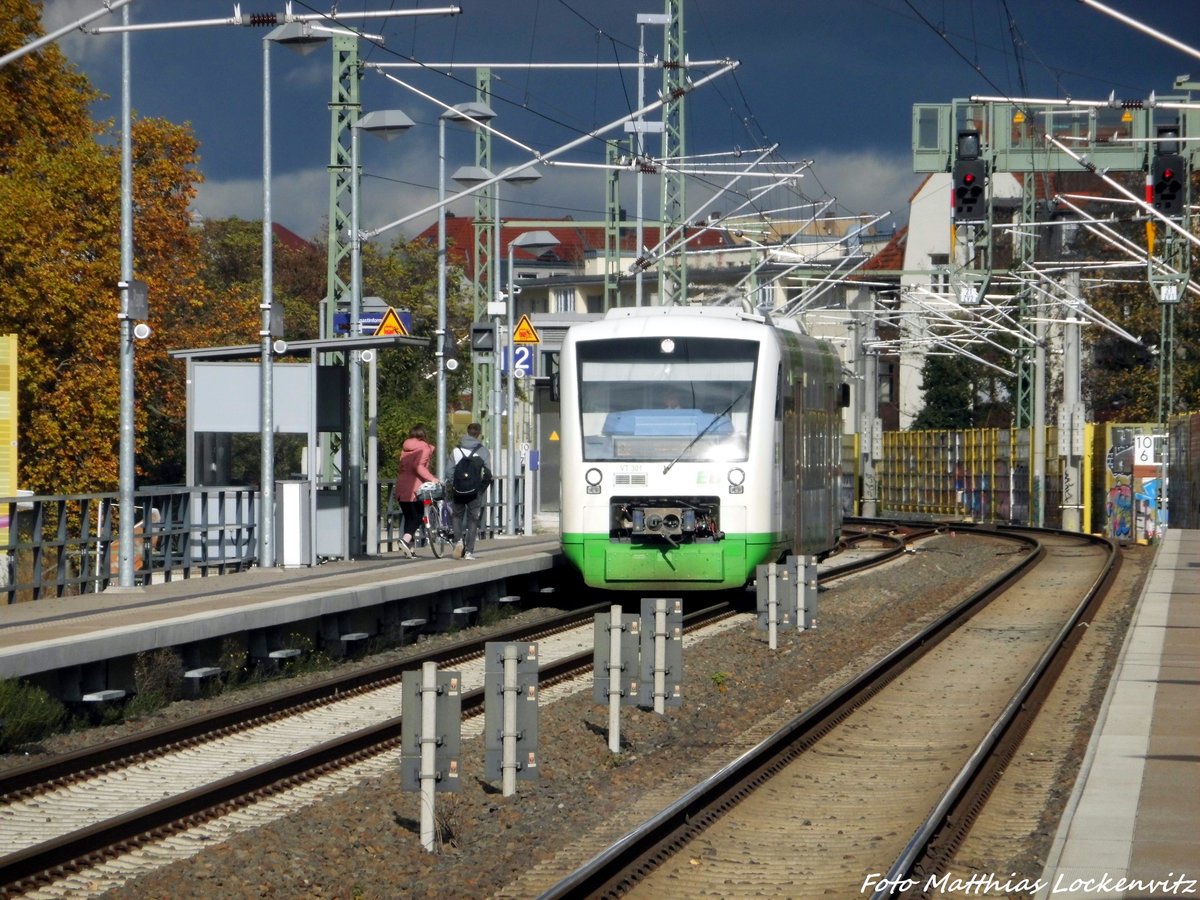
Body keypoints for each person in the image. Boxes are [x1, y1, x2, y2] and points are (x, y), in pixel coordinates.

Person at [394, 423, 437, 558]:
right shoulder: (424, 448)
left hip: (401, 486)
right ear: (424, 434)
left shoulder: (405, 449)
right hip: (415, 488)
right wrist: (433, 479)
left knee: (409, 517)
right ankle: (405, 540)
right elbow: (418, 467)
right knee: (418, 517)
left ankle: (410, 550)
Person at [449, 422, 491, 561]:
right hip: (475, 491)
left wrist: (453, 485)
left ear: (467, 432)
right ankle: (468, 552)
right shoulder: (483, 450)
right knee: (473, 520)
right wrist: (481, 488)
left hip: (458, 489)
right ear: (478, 434)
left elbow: (449, 472)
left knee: (456, 516)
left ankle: (458, 540)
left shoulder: (456, 450)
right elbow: (488, 473)